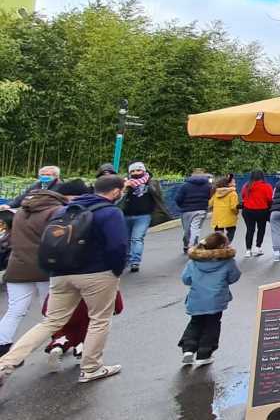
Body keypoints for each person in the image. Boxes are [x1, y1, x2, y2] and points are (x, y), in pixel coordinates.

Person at [0, 174, 128, 389]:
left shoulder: (63, 210)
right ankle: (91, 367)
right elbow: (118, 245)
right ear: (116, 191)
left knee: (51, 321)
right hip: (97, 273)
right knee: (99, 319)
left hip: (60, 273)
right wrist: (116, 270)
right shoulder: (110, 212)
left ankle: (5, 364)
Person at [0, 180, 86, 356]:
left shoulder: (21, 211)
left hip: (17, 267)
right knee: (53, 312)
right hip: (46, 268)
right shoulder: (58, 211)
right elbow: (60, 240)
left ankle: (2, 344)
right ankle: (61, 340)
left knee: (15, 310)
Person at [179, 232, 240, 366]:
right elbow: (234, 276)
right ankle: (204, 354)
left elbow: (186, 279)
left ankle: (188, 349)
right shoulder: (228, 261)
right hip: (216, 300)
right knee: (212, 324)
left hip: (196, 298)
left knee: (195, 322)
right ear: (222, 246)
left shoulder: (194, 261)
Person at [117, 162, 169, 273]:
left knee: (137, 238)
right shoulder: (124, 183)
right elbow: (117, 200)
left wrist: (150, 187)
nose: (135, 173)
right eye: (132, 171)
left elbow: (159, 196)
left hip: (143, 216)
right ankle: (126, 259)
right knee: (126, 239)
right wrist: (125, 187)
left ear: (144, 171)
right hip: (126, 215)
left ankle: (135, 262)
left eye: (138, 170)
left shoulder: (152, 182)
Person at [176, 168, 213, 253]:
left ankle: (189, 245)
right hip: (201, 209)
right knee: (195, 228)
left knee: (187, 230)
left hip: (186, 210)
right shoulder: (208, 186)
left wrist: (182, 206)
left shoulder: (185, 186)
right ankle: (191, 244)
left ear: (192, 175)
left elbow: (178, 199)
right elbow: (210, 197)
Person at [240, 170, 273, 257]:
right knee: (261, 229)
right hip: (262, 211)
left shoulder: (247, 186)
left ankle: (248, 250)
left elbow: (243, 196)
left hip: (248, 210)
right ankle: (258, 247)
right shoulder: (266, 186)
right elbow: (270, 199)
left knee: (250, 230)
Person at [209, 175, 240, 243]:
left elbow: (210, 204)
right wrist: (237, 212)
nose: (235, 184)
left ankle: (220, 246)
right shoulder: (233, 193)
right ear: (228, 184)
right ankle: (226, 245)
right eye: (233, 182)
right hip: (229, 218)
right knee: (231, 231)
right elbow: (233, 207)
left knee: (219, 236)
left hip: (217, 219)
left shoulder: (216, 192)